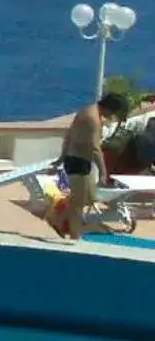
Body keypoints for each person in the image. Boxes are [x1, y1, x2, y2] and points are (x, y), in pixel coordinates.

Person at [55, 90, 130, 241]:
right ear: (110, 108)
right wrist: (103, 171)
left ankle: (58, 221)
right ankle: (75, 238)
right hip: (78, 162)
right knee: (78, 204)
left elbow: (70, 134)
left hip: (75, 159)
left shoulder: (87, 111)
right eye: (115, 113)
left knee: (85, 198)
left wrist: (62, 157)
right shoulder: (93, 119)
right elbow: (95, 148)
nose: (113, 117)